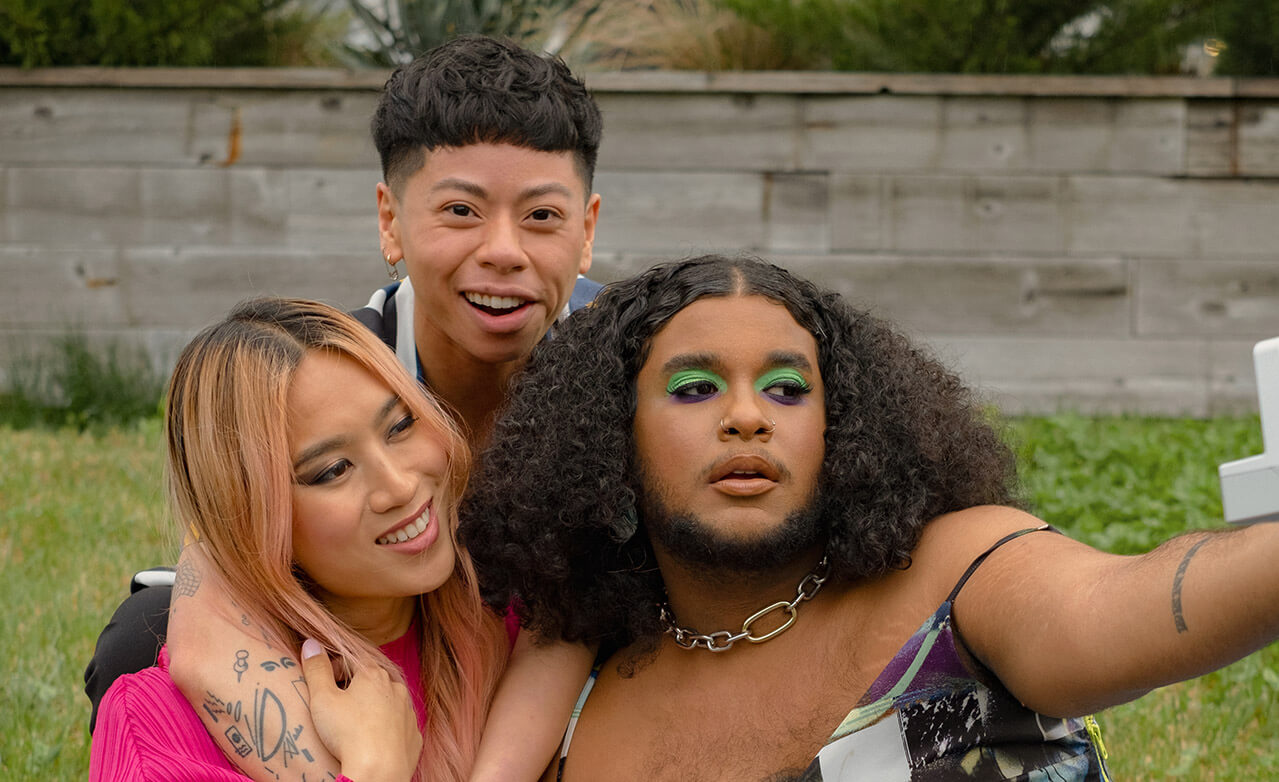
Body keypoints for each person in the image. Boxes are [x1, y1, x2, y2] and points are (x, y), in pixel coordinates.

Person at [462, 254, 1279, 781]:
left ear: (839, 426)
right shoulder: (570, 707)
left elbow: (1124, 609)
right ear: (610, 438)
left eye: (787, 388)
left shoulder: (956, 571)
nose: (748, 417)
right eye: (693, 388)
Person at [83, 33, 605, 776]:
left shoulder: (642, 372)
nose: (503, 251)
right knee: (145, 631)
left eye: (541, 218)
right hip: (386, 626)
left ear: (586, 231)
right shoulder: (335, 368)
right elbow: (223, 567)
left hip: (580, 640)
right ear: (390, 221)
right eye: (460, 210)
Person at [89, 297, 515, 781]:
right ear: (249, 515)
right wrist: (375, 770)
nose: (400, 486)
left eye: (400, 425)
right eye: (333, 470)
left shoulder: (515, 625)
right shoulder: (153, 731)